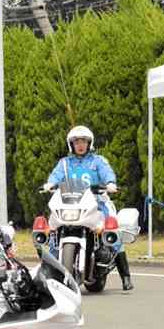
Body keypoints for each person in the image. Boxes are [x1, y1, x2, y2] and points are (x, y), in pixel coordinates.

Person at [42, 125, 133, 291]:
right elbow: (56, 176)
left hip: (97, 202)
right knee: (54, 231)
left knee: (112, 230)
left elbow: (107, 173)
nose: (80, 145)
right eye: (76, 141)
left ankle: (125, 276)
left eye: (83, 141)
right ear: (71, 144)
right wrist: (50, 183)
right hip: (70, 203)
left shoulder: (98, 161)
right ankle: (48, 273)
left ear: (89, 143)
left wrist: (111, 183)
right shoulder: (64, 163)